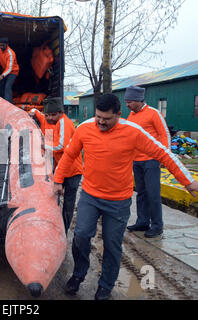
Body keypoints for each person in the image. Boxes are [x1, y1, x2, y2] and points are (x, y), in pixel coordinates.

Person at [53, 93, 198, 300]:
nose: (101, 122)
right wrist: (58, 180)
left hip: (118, 201)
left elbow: (163, 153)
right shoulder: (85, 128)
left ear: (119, 115)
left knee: (112, 244)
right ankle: (79, 273)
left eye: (107, 119)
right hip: (90, 196)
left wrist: (187, 180)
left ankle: (105, 286)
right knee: (81, 236)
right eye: (98, 117)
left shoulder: (133, 131)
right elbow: (69, 155)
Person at [29, 97, 83, 234]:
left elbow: (61, 146)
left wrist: (43, 146)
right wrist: (33, 111)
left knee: (68, 204)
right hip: (60, 169)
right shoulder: (51, 120)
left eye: (53, 115)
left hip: (72, 171)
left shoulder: (64, 123)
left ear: (60, 112)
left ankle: (63, 232)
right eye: (47, 115)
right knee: (54, 198)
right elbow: (38, 113)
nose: (49, 118)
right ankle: (53, 226)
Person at [125, 86, 171, 238]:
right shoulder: (131, 116)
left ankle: (157, 225)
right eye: (126, 101)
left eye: (130, 101)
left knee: (153, 194)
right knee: (141, 193)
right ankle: (142, 221)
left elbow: (164, 134)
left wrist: (165, 156)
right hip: (136, 161)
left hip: (151, 160)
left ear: (138, 100)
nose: (127, 105)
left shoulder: (154, 114)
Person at [0, 37, 19, 103]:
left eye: (3, 45)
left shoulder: (11, 54)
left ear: (7, 45)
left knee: (7, 86)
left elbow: (9, 68)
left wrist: (2, 76)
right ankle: (2, 102)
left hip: (13, 71)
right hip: (5, 71)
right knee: (0, 87)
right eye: (0, 45)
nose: (1, 47)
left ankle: (8, 104)